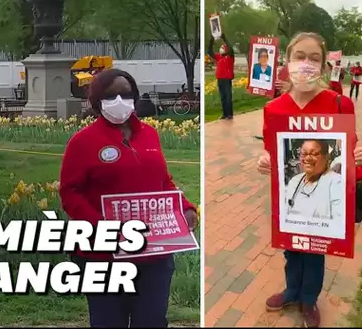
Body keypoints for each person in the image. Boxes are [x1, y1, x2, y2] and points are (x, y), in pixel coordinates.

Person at [59, 69, 198, 328]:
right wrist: (101, 226)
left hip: (154, 253)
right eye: (111, 96)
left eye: (126, 94)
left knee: (153, 320)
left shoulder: (149, 135)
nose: (120, 101)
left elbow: (163, 182)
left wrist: (185, 207)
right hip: (104, 255)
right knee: (108, 321)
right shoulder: (83, 142)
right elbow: (70, 192)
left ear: (135, 96)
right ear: (97, 101)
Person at [256, 32, 362, 328]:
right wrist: (264, 161)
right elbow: (271, 151)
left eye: (314, 58)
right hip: (290, 194)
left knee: (315, 248)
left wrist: (356, 154)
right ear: (288, 61)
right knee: (292, 247)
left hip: (324, 193)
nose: (306, 64)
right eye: (300, 57)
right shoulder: (274, 109)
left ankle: (309, 299)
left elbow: (348, 148)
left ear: (322, 66)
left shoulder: (339, 104)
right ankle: (292, 291)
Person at [285, 139, 343, 220]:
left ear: (326, 157)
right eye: (303, 153)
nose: (308, 158)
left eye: (314, 154)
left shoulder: (337, 183)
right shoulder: (294, 182)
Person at [207, 33, 235, 120]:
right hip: (220, 79)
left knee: (228, 97)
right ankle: (224, 114)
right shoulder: (219, 57)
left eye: (222, 48)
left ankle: (229, 114)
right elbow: (210, 52)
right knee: (223, 97)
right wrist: (211, 40)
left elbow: (231, 50)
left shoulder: (230, 57)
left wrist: (224, 38)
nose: (220, 49)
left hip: (227, 79)